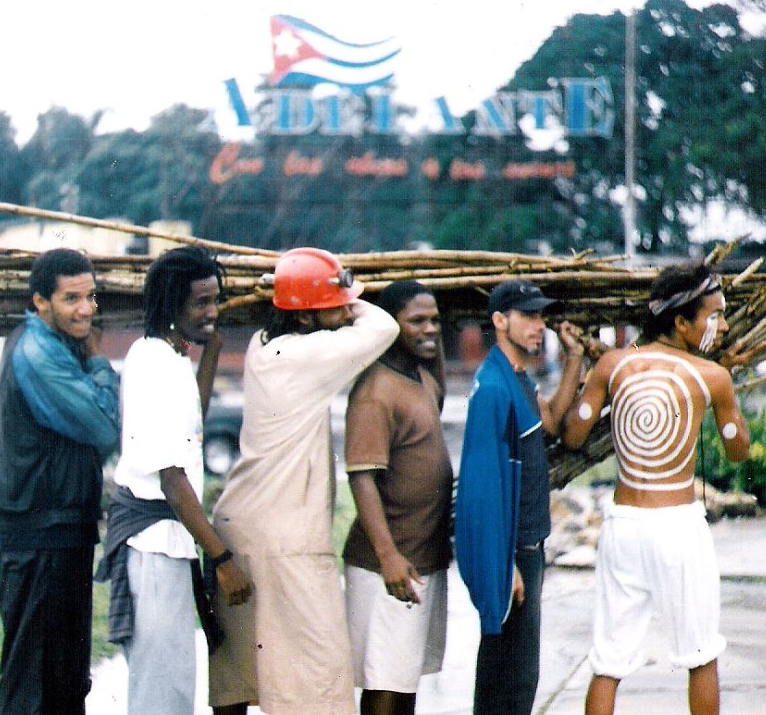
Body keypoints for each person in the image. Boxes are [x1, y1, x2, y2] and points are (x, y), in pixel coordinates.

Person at [208, 247, 399, 715]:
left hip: (239, 523)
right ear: (311, 314)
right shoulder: (311, 355)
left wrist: (321, 293)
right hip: (287, 536)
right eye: (334, 305)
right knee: (317, 678)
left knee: (240, 672)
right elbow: (385, 327)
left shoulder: (260, 347)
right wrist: (348, 299)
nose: (342, 310)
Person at [561, 262, 758, 715]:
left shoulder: (613, 365)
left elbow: (573, 435)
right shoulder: (711, 378)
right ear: (681, 322)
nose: (723, 325)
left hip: (623, 526)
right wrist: (726, 393)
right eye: (714, 316)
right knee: (701, 653)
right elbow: (738, 452)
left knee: (608, 659)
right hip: (678, 528)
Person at [94, 246, 252, 715]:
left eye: (215, 300)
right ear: (170, 304)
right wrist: (220, 558)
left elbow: (191, 430)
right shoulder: (152, 364)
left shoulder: (170, 357)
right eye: (200, 303)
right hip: (153, 541)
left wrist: (211, 355)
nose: (211, 312)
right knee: (161, 691)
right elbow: (172, 479)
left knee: (175, 681)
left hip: (167, 542)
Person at [0, 248, 120, 714]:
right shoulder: (38, 352)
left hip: (57, 534)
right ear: (40, 302)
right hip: (40, 539)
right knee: (35, 685)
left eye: (90, 297)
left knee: (62, 678)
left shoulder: (49, 344)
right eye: (71, 299)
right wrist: (99, 361)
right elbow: (104, 427)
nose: (85, 308)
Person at [454, 279, 587, 715]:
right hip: (512, 554)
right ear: (499, 321)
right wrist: (503, 562)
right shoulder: (492, 390)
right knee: (510, 680)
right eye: (528, 316)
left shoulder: (515, 378)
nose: (539, 326)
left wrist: (575, 360)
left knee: (512, 673)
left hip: (526, 549)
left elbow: (549, 422)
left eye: (541, 316)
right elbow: (481, 490)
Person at [342, 281, 453, 715]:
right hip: (387, 565)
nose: (430, 330)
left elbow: (438, 388)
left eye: (436, 321)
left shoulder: (421, 377)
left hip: (423, 560)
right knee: (384, 684)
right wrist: (388, 557)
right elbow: (362, 477)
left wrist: (430, 340)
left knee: (404, 680)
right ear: (390, 326)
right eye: (417, 321)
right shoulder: (375, 391)